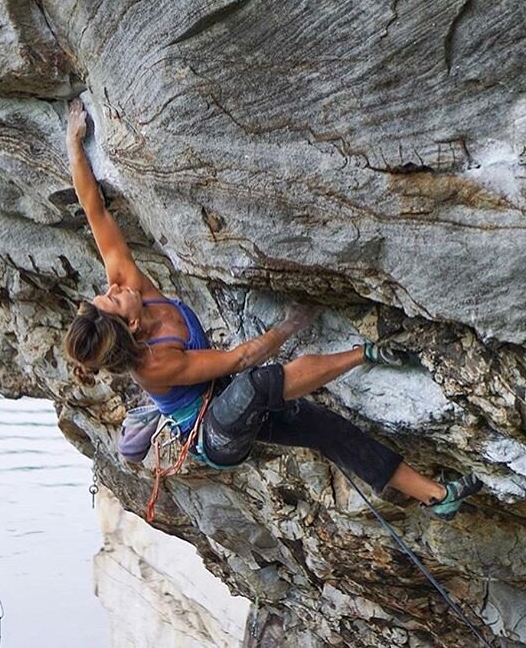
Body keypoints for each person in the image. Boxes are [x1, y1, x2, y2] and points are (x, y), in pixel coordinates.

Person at [63, 99, 482, 521]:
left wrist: (73, 142)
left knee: (325, 428)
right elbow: (241, 358)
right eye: (113, 298)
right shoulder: (154, 364)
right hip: (214, 435)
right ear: (132, 325)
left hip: (228, 397)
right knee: (261, 382)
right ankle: (366, 353)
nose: (114, 287)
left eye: (107, 293)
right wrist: (289, 326)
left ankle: (438, 496)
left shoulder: (130, 286)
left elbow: (93, 209)